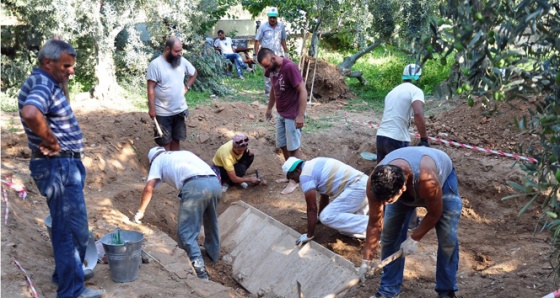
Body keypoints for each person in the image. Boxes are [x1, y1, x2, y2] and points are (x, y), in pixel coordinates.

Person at [18, 40, 105, 298]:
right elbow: (32, 113)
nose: (71, 71)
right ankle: (71, 291)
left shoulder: (45, 82)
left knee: (75, 228)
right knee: (68, 229)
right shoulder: (43, 83)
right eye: (67, 66)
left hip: (64, 166)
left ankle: (66, 274)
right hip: (58, 166)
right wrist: (51, 140)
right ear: (48, 62)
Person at [359, 147, 461, 298]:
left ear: (403, 188)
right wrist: (366, 260)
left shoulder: (428, 181)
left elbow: (434, 213)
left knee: (448, 238)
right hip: (406, 183)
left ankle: (446, 291)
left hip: (442, 181)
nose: (385, 204)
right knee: (390, 236)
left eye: (388, 201)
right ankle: (388, 291)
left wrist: (414, 238)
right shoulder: (376, 183)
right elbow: (375, 223)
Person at [134, 147, 222, 280]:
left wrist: (140, 212)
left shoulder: (158, 161)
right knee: (211, 221)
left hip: (195, 186)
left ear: (151, 160)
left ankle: (200, 271)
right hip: (215, 183)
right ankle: (213, 254)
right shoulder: (182, 154)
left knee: (185, 233)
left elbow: (149, 187)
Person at [376, 63, 429, 230]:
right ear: (418, 77)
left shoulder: (393, 91)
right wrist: (424, 138)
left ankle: (381, 216)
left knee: (383, 179)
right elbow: (418, 113)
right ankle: (412, 222)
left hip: (381, 137)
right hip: (397, 139)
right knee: (405, 180)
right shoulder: (415, 91)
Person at [282, 157, 369, 246]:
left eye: (293, 178)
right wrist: (319, 217)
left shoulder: (305, 176)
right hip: (366, 185)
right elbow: (324, 195)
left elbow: (311, 208)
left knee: (327, 217)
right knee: (344, 229)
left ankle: (378, 226)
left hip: (358, 189)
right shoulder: (313, 164)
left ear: (297, 171)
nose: (295, 181)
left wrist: (309, 235)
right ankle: (375, 233)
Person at [257, 47, 307, 194]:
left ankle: (296, 179)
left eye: (266, 65)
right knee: (283, 144)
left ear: (273, 58)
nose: (265, 70)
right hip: (281, 113)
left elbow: (302, 90)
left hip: (293, 113)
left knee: (293, 147)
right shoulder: (271, 70)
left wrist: (300, 115)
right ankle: (290, 174)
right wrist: (269, 108)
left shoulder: (289, 67)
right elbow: (273, 88)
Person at [147, 37, 198, 151]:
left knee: (176, 140)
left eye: (180, 51)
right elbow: (150, 87)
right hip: (162, 112)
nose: (179, 54)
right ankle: (166, 166)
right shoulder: (155, 65)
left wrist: (186, 87)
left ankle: (175, 166)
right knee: (165, 143)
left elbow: (194, 73)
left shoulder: (182, 61)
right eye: (176, 51)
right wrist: (152, 108)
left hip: (179, 110)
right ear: (167, 49)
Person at [253, 7, 288, 96]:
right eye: (270, 17)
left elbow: (283, 40)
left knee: (279, 75)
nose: (272, 19)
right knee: (268, 75)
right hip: (267, 57)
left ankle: (278, 94)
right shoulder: (263, 27)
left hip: (278, 55)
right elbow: (257, 40)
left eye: (274, 17)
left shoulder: (281, 26)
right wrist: (255, 54)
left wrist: (286, 53)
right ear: (268, 17)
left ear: (277, 17)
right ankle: (268, 95)